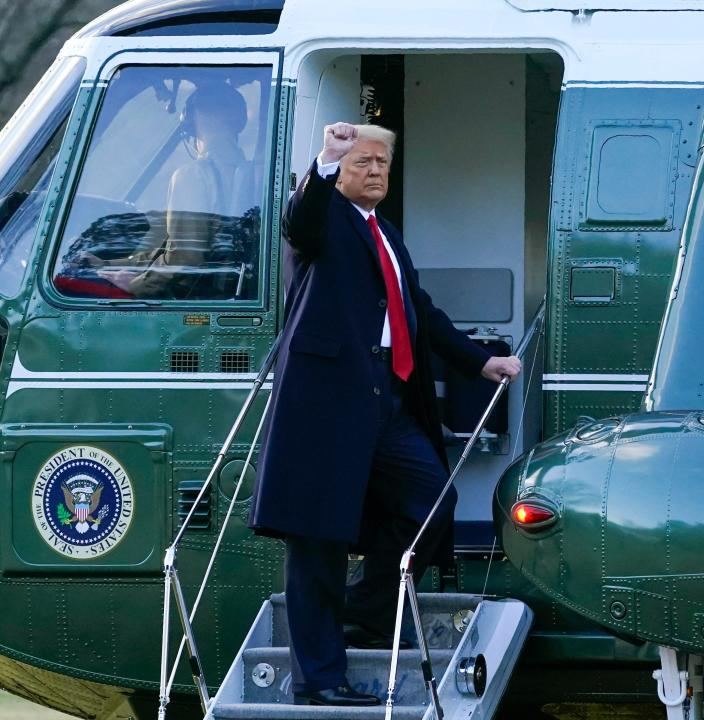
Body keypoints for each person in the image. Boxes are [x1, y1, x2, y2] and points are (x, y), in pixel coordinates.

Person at [248, 122, 521, 707]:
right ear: (340, 169)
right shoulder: (322, 220)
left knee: (431, 504)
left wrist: (479, 362)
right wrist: (323, 161)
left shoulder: (386, 232)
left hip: (384, 397)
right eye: (362, 162)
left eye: (382, 164)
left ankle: (362, 613)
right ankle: (318, 680)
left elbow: (418, 309)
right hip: (325, 403)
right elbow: (299, 220)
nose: (374, 172)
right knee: (317, 540)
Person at [78, 81, 250, 298]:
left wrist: (137, 285)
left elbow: (186, 257)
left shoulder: (192, 175)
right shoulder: (252, 174)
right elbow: (173, 249)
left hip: (193, 299)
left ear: (192, 120)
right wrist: (107, 264)